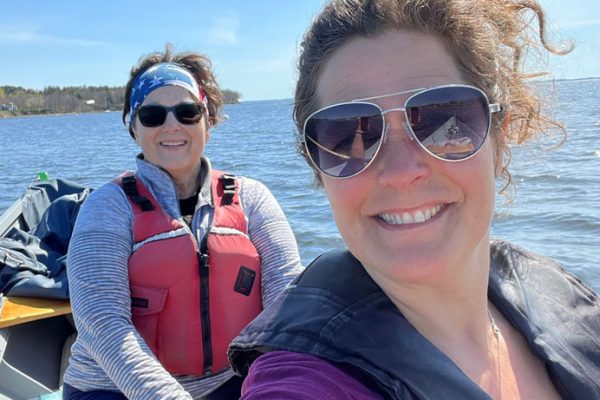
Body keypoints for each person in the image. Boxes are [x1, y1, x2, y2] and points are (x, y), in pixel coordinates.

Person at [228, 0, 600, 399]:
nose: (401, 172)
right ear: (318, 167)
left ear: (500, 138)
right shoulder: (304, 385)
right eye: (349, 136)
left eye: (445, 121)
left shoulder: (560, 294)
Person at [62, 46, 303, 399]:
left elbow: (287, 298)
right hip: (111, 387)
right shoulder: (107, 207)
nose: (172, 125)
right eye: (153, 115)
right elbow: (103, 326)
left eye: (187, 112)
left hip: (228, 380)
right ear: (134, 127)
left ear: (209, 120)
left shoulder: (253, 198)